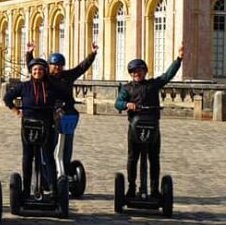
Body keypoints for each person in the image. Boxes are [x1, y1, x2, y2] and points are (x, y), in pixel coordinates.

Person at [115, 43, 184, 198]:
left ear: (145, 71)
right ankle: (132, 188)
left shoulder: (153, 85)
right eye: (133, 72)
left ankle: (154, 190)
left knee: (154, 158)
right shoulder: (127, 88)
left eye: (139, 71)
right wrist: (127, 104)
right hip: (134, 128)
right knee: (133, 158)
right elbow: (117, 103)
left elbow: (167, 76)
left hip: (153, 127)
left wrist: (178, 59)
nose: (136, 74)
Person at [25, 42, 98, 173]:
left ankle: (65, 168)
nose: (57, 68)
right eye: (54, 65)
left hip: (67, 113)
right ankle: (47, 169)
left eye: (60, 65)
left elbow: (82, 68)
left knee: (67, 143)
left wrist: (92, 54)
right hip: (50, 113)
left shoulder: (68, 76)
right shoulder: (45, 78)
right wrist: (29, 53)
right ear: (49, 66)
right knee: (50, 143)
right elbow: (32, 67)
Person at [3, 58, 63, 196]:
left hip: (46, 125)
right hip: (28, 125)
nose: (38, 72)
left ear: (45, 71)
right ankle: (26, 189)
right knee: (28, 157)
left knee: (48, 156)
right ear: (31, 71)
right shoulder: (24, 87)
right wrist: (16, 110)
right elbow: (7, 97)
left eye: (41, 69)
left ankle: (53, 188)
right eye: (35, 69)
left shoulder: (51, 86)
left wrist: (59, 110)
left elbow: (67, 99)